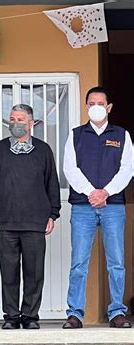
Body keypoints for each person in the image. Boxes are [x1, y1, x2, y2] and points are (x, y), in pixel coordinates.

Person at [0, 104, 61, 330]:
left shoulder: (43, 150)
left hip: (36, 222)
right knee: (9, 272)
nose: (15, 123)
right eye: (12, 119)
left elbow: (52, 185)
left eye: (20, 119)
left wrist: (53, 213)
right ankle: (11, 316)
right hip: (5, 222)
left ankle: (30, 316)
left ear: (31, 123)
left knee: (34, 272)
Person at [62, 87, 133, 329]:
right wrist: (91, 192)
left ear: (109, 107)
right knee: (79, 262)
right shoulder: (76, 135)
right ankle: (75, 313)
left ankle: (117, 312)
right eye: (91, 102)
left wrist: (106, 192)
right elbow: (70, 169)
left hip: (113, 206)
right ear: (86, 106)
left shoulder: (122, 135)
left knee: (116, 262)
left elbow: (127, 169)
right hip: (83, 207)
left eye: (100, 103)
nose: (96, 106)